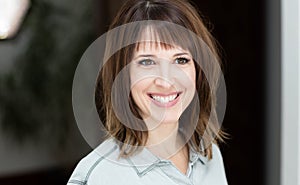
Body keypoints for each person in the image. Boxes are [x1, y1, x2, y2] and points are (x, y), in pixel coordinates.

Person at [67, 0, 228, 184]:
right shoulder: (100, 176)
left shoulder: (209, 154)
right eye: (147, 62)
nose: (165, 81)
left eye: (181, 60)